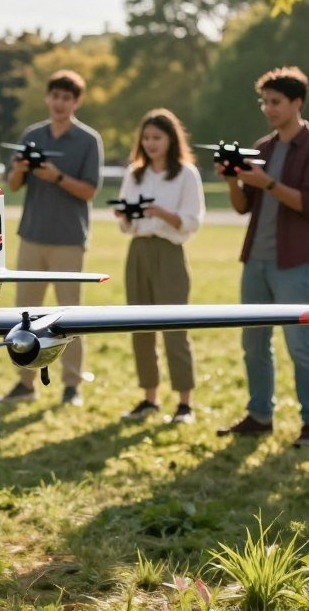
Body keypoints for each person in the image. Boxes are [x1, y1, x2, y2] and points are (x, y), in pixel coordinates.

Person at [216, 66, 309, 447]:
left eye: (276, 102)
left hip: (294, 261)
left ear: (296, 103)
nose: (268, 109)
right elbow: (241, 208)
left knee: (299, 344)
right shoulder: (263, 147)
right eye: (264, 102)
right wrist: (233, 180)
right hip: (256, 259)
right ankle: (259, 415)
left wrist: (266, 182)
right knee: (254, 342)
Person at [0, 69, 104, 406]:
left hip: (69, 239)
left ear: (76, 102)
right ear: (48, 98)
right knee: (24, 315)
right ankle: (25, 384)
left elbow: (89, 191)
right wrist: (21, 168)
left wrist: (56, 176)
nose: (59, 103)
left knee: (69, 316)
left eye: (66, 97)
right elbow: (13, 186)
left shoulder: (89, 140)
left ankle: (72, 385)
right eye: (55, 96)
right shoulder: (32, 134)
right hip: (31, 235)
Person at [115, 109, 205, 424]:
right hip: (138, 251)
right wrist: (125, 216)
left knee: (175, 328)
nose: (151, 143)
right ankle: (149, 398)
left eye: (158, 137)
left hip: (169, 252)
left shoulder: (186, 174)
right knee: (140, 327)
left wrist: (161, 213)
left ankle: (184, 404)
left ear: (171, 139)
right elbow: (126, 224)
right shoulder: (134, 173)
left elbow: (192, 222)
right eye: (147, 137)